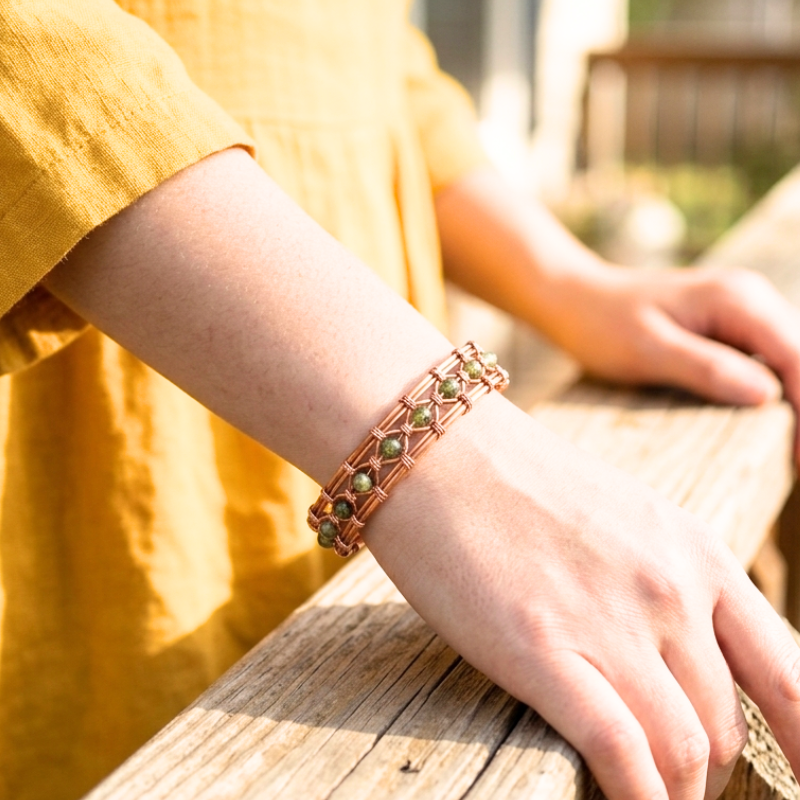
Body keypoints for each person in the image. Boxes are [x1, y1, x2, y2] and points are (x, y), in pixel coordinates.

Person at [2, 3, 800, 800]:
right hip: (99, 385)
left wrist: (567, 282)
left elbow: (373, 64)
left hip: (346, 367)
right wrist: (450, 448)